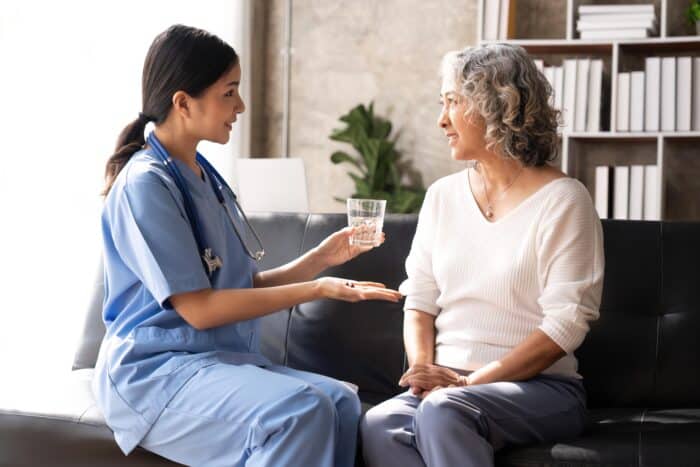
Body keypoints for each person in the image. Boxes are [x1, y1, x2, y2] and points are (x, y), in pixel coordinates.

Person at [93, 24, 402, 467]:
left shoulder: (201, 176)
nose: (240, 106)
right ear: (183, 102)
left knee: (340, 403)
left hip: (211, 359)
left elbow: (236, 285)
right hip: (154, 372)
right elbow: (200, 309)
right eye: (229, 92)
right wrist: (317, 290)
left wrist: (321, 260)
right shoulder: (147, 185)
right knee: (302, 410)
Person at [361, 44, 605, 467]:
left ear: (498, 106)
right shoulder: (442, 197)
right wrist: (422, 372)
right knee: (381, 423)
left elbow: (565, 325)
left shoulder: (564, 200)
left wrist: (468, 383)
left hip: (540, 387)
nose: (441, 120)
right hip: (448, 386)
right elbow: (419, 300)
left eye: (453, 102)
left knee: (445, 412)